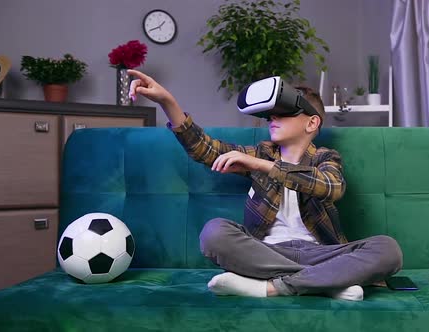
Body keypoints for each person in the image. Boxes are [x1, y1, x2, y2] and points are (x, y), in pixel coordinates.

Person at [128, 69, 403, 301]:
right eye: (270, 115)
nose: (273, 119)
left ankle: (272, 287)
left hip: (322, 254)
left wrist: (263, 167)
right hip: (267, 252)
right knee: (214, 233)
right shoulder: (260, 153)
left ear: (312, 123)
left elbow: (331, 187)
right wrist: (167, 101)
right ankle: (327, 284)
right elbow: (205, 149)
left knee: (388, 249)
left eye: (283, 113)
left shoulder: (325, 157)